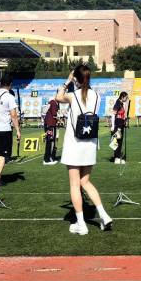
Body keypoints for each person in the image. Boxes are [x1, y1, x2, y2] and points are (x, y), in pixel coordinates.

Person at [55, 64, 113, 235]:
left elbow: (58, 97)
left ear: (76, 79)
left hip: (75, 144)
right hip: (90, 144)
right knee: (85, 182)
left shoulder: (72, 96)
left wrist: (67, 81)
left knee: (74, 184)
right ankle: (104, 215)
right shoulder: (97, 96)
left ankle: (81, 224)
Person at [0, 76, 21, 194]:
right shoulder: (9, 97)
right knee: (2, 155)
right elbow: (14, 115)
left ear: (0, 83)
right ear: (10, 84)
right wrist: (18, 130)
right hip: (4, 129)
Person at [111, 92, 129, 164]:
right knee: (117, 141)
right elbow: (113, 114)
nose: (126, 99)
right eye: (126, 98)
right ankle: (116, 158)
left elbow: (121, 114)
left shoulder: (121, 103)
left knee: (120, 141)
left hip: (121, 124)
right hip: (117, 125)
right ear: (122, 97)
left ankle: (118, 157)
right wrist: (113, 126)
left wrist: (124, 119)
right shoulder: (118, 103)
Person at [43, 98, 60, 165]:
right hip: (51, 125)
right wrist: (60, 120)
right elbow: (54, 114)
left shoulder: (51, 102)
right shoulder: (54, 102)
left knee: (49, 141)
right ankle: (49, 159)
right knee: (51, 141)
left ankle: (48, 158)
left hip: (48, 124)